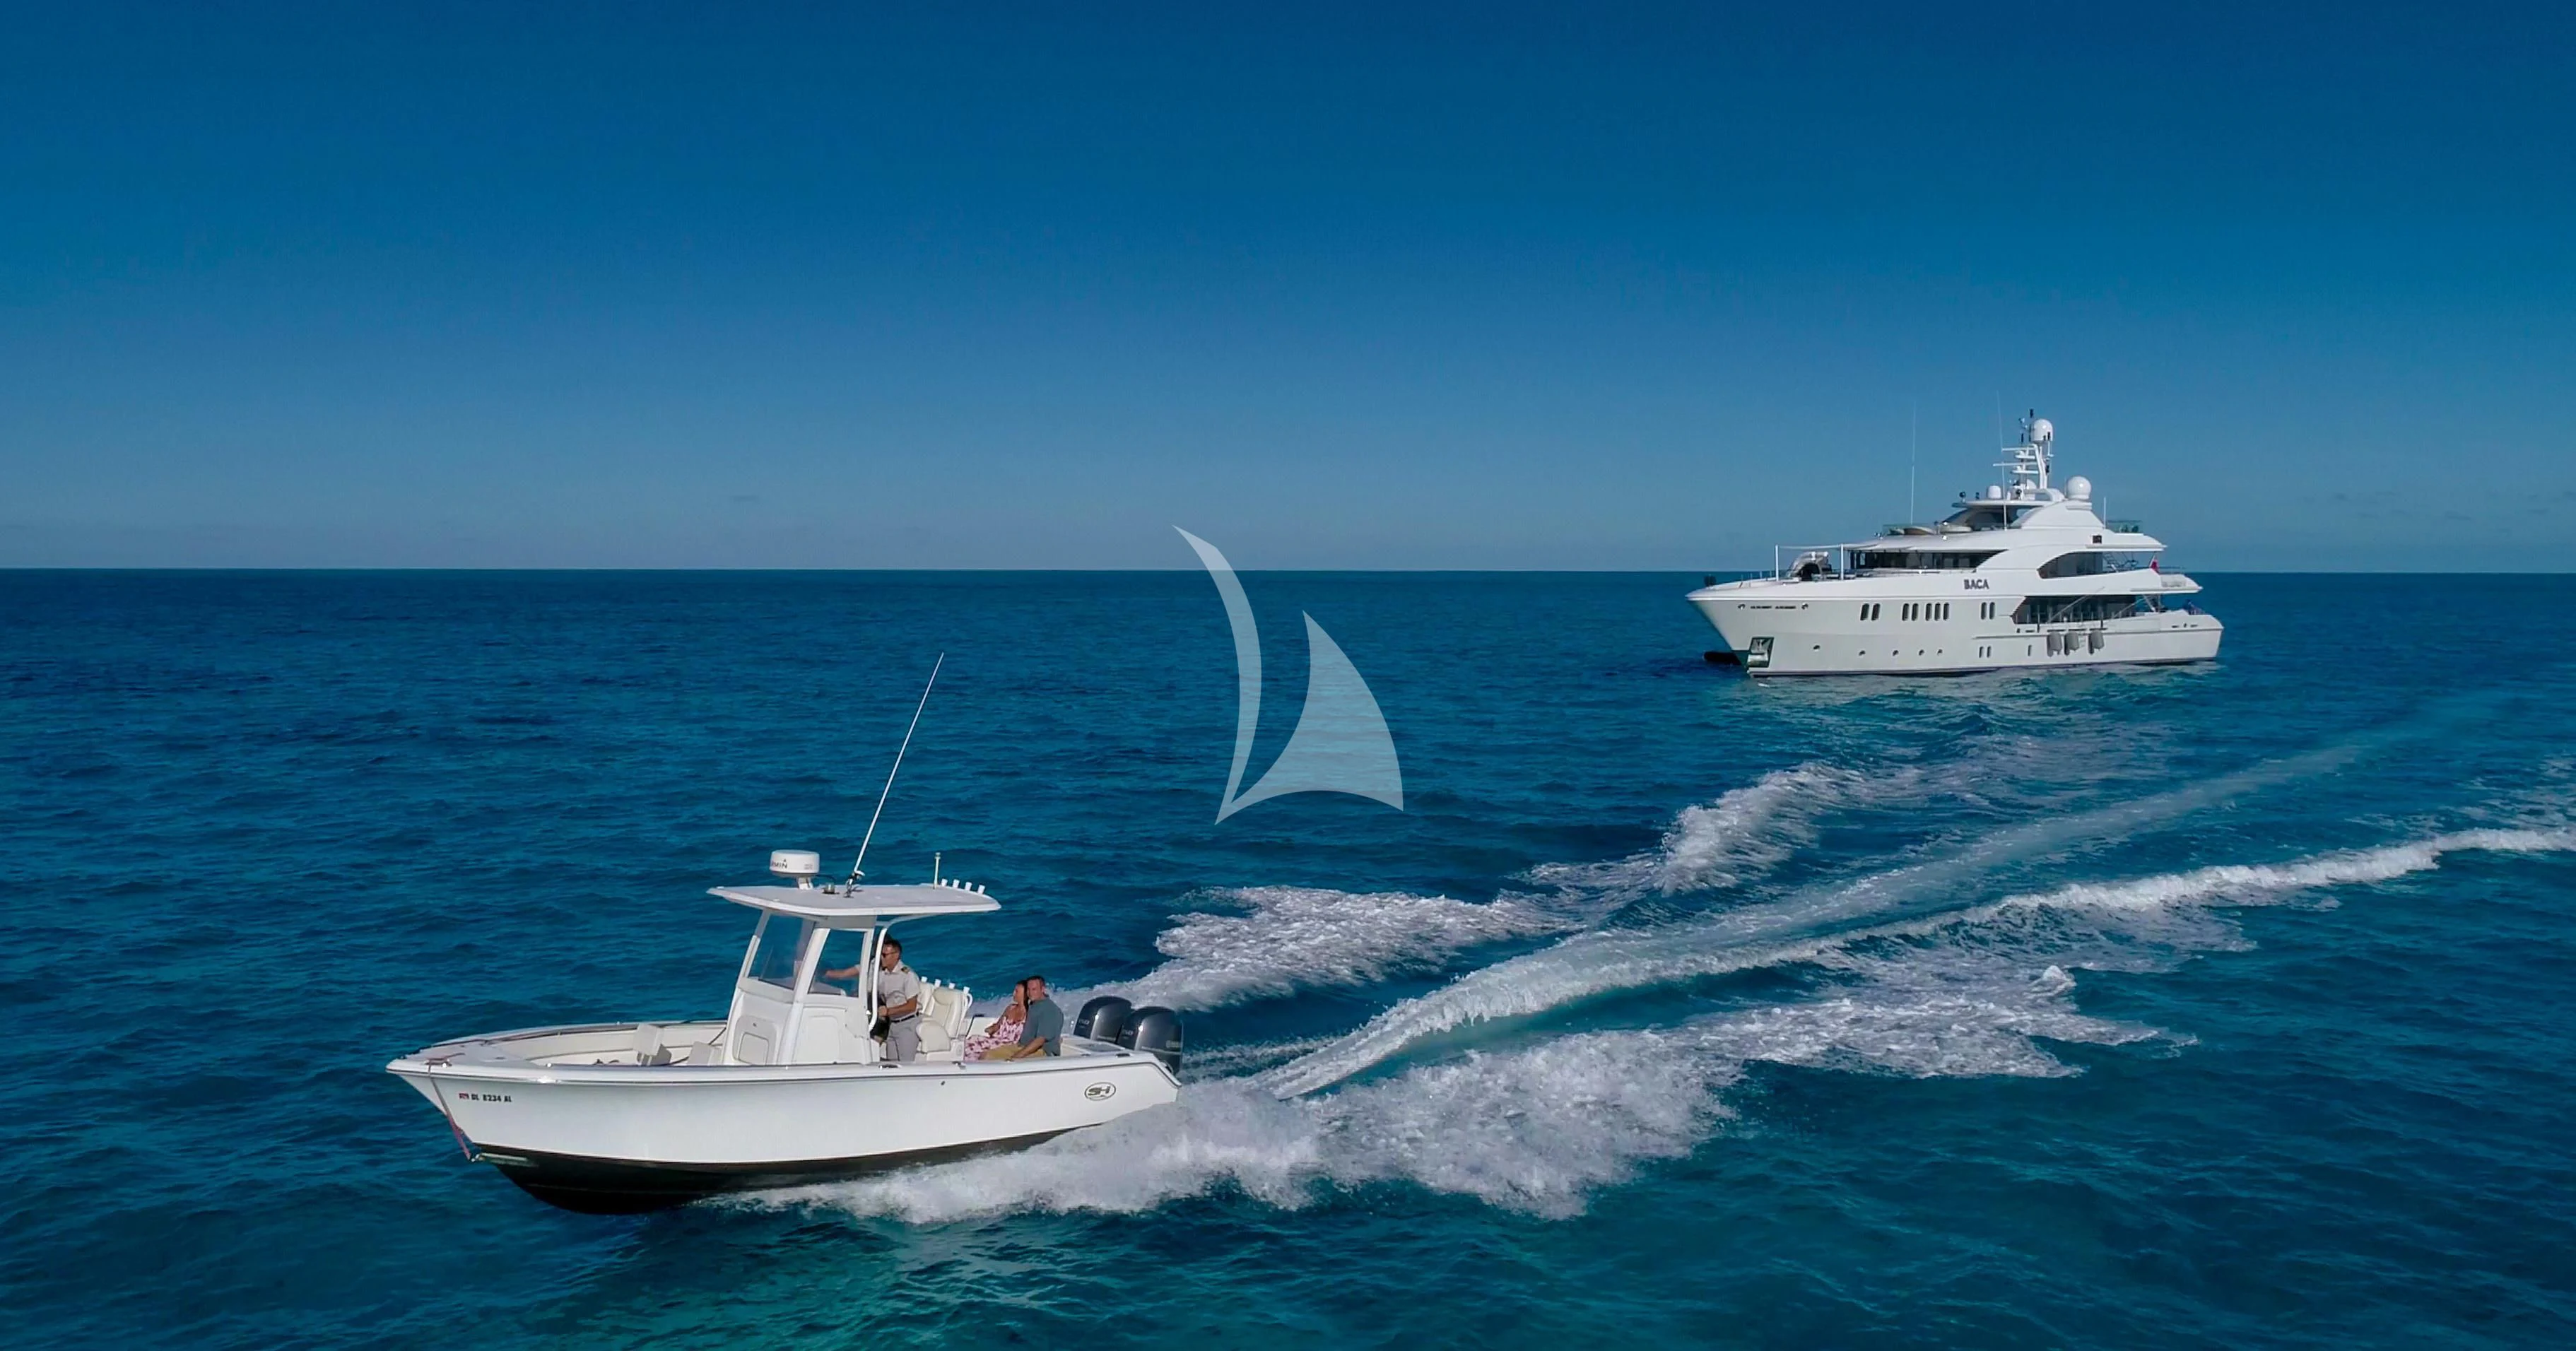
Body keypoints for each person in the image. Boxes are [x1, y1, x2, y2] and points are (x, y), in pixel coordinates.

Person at [827, 936, 922, 1063]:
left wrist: (888, 1011)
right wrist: (824, 973)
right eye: (879, 954)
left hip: (907, 1023)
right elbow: (849, 975)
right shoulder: (880, 970)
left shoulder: (907, 976)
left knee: (906, 1064)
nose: (880, 957)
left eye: (884, 955)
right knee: (891, 1064)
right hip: (893, 1023)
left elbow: (912, 1006)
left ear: (896, 955)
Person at [984, 974, 1061, 1059]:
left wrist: (1017, 1056)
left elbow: (1040, 1041)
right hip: (1022, 1046)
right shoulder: (1034, 1005)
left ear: (1042, 990)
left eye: (1034, 989)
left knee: (996, 1060)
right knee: (985, 1055)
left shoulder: (1049, 1010)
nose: (1030, 993)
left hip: (1042, 1052)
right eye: (1028, 990)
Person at [963, 980, 1028, 1060]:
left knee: (977, 1048)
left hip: (1007, 1045)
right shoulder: (1010, 1008)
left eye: (1017, 991)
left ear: (1025, 995)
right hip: (996, 1039)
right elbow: (998, 1026)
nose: (1014, 993)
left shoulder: (1029, 1014)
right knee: (973, 1039)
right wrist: (991, 1029)